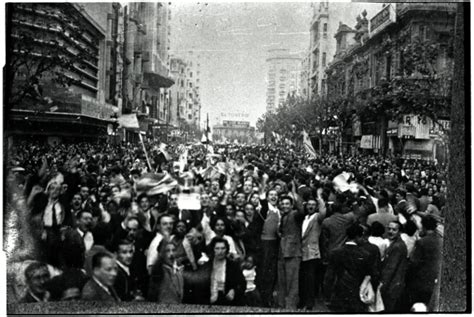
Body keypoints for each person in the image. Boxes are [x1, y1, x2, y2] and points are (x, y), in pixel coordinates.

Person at [323, 223, 374, 312]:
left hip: (338, 294)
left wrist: (327, 296)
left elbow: (329, 277)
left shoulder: (336, 253)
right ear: (358, 237)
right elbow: (369, 274)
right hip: (357, 294)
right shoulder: (365, 254)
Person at [406, 216, 443, 309]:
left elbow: (414, 262)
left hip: (421, 282)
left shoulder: (421, 242)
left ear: (423, 227)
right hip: (435, 282)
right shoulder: (441, 240)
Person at [299, 192, 326, 310]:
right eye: (309, 204)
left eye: (313, 205)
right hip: (301, 251)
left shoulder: (317, 218)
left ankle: (309, 303)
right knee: (303, 279)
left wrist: (319, 198)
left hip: (312, 252)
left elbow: (323, 213)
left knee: (310, 280)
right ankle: (302, 301)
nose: (310, 207)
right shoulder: (304, 218)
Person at [277, 195, 304, 309]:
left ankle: (290, 306)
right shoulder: (283, 216)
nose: (284, 206)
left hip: (293, 253)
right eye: (283, 204)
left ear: (292, 205)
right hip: (282, 252)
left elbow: (301, 211)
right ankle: (281, 305)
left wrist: (294, 194)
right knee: (282, 281)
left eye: (287, 204)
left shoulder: (295, 214)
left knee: (292, 282)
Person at [206, 237, 245, 306]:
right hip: (210, 301)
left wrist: (234, 291)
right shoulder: (207, 266)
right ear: (213, 249)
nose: (220, 251)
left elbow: (242, 284)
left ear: (227, 249)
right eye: (217, 248)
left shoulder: (233, 266)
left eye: (223, 248)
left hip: (228, 301)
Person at [380, 221, 408, 312]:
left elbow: (390, 269)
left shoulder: (397, 246)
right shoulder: (396, 244)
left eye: (394, 230)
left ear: (399, 232)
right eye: (389, 229)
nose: (391, 231)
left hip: (392, 286)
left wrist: (382, 285)